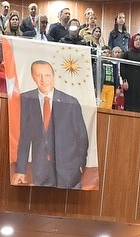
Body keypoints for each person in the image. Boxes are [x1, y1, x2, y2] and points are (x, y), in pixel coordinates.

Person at [11, 59, 89, 188]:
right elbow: (24, 137)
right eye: (39, 75)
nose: (43, 80)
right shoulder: (26, 99)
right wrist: (20, 170)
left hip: (69, 171)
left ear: (53, 76)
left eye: (47, 75)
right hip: (40, 170)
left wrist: (81, 164)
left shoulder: (70, 102)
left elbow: (81, 137)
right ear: (32, 76)